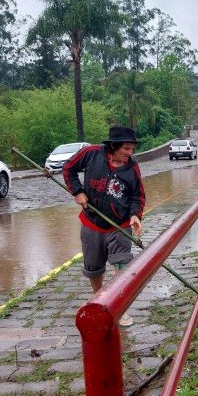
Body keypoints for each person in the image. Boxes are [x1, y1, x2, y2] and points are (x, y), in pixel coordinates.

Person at [63, 125, 145, 326]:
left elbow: (137, 195)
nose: (130, 153)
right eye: (126, 149)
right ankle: (100, 299)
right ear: (114, 146)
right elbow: (68, 168)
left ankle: (118, 307)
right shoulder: (92, 154)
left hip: (120, 225)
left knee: (121, 264)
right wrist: (78, 191)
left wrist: (135, 215)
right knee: (93, 266)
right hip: (92, 222)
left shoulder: (132, 167)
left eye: (132, 149)